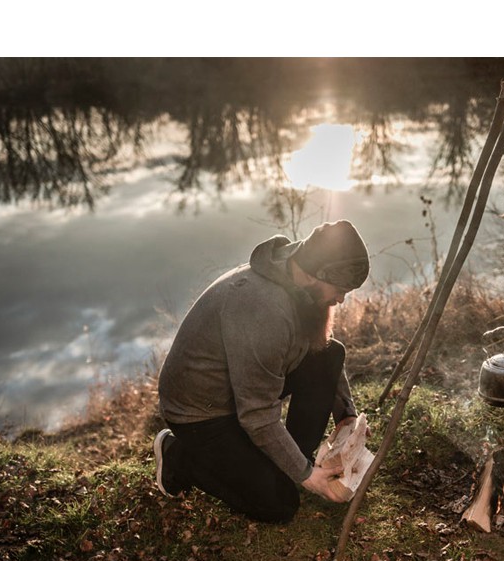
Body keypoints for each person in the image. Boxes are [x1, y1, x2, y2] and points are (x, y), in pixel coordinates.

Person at [153, 219, 370, 524]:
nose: (341, 299)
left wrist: (346, 416)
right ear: (316, 273)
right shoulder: (263, 308)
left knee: (330, 355)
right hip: (200, 412)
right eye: (340, 289)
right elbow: (256, 413)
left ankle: (289, 460)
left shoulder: (298, 277)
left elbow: (322, 349)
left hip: (240, 388)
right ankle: (178, 455)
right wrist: (308, 477)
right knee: (279, 504)